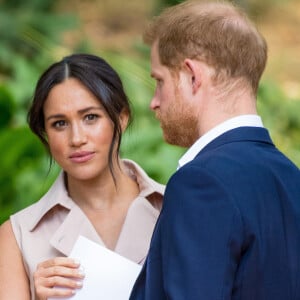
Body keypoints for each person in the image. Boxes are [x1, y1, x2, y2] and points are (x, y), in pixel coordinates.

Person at [129, 1, 300, 299]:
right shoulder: (291, 176)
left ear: (192, 76)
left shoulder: (201, 183)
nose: (153, 102)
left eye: (159, 81)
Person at [0, 53, 164, 300]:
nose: (77, 138)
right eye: (59, 124)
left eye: (90, 118)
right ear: (45, 133)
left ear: (121, 118)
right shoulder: (17, 236)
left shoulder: (173, 207)